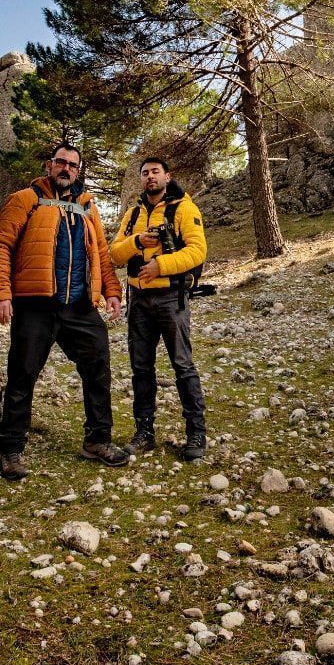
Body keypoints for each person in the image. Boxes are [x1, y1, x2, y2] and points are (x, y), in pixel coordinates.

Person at [0, 143, 130, 481]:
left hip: (80, 307)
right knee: (22, 376)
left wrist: (111, 292)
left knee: (98, 370)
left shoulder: (87, 206)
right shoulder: (25, 199)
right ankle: (11, 449)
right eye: (61, 163)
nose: (66, 169)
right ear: (49, 165)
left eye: (73, 165)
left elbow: (102, 255)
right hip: (35, 305)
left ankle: (97, 441)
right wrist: (0, 294)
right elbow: (0, 246)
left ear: (79, 171)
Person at [110, 157, 209, 461]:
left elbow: (197, 250)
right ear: (140, 179)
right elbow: (114, 254)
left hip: (171, 298)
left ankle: (196, 433)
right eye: (145, 173)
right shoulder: (132, 214)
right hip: (138, 302)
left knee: (182, 365)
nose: (150, 177)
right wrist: (137, 241)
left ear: (167, 175)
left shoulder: (184, 208)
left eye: (155, 172)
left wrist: (160, 266)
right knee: (141, 368)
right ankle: (144, 433)